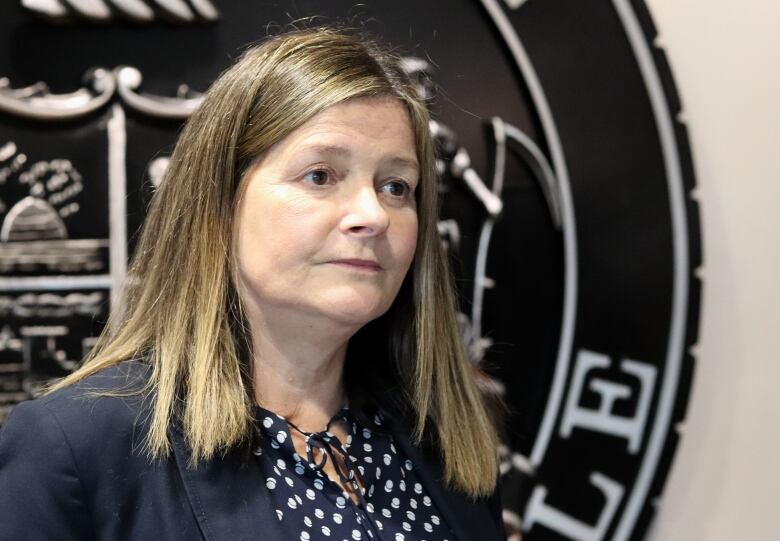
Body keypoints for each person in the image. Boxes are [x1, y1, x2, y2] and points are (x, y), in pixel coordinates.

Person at [0, 26, 508, 541]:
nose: (373, 215)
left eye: (396, 186)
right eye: (320, 175)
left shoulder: (446, 438)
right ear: (219, 204)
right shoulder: (76, 448)